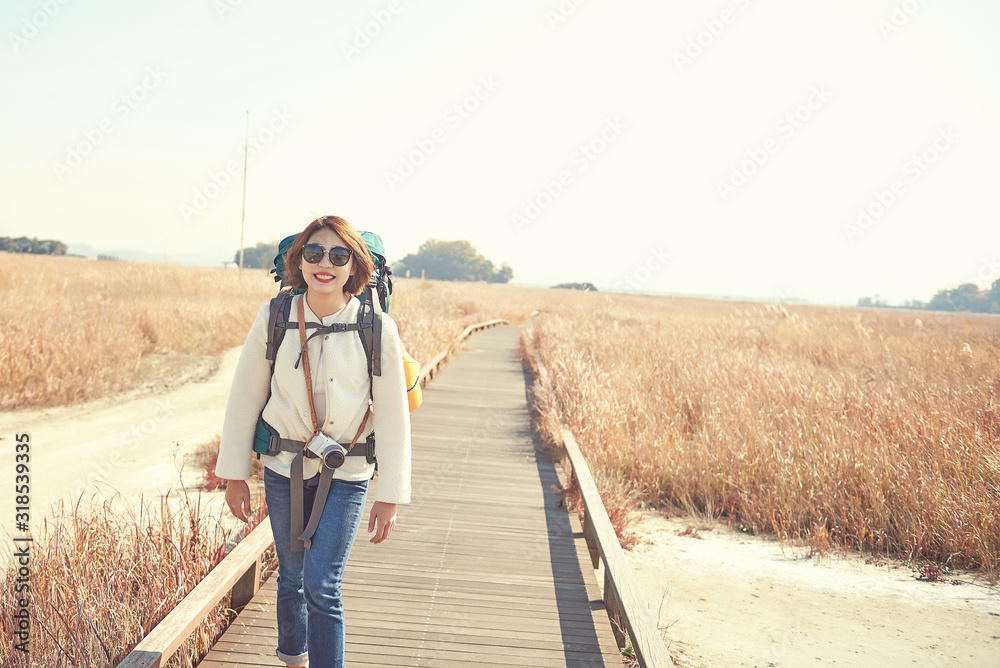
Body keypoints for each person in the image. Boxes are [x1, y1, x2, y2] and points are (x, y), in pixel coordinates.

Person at [216, 215, 412, 668]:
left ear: (354, 268)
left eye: (339, 255)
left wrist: (391, 495)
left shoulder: (377, 327)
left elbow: (393, 417)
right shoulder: (276, 316)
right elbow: (244, 396)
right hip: (283, 469)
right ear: (298, 262)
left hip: (348, 473)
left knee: (322, 583)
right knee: (290, 578)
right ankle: (293, 659)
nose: (326, 264)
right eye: (314, 253)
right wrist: (234, 474)